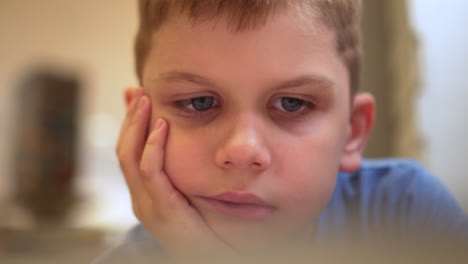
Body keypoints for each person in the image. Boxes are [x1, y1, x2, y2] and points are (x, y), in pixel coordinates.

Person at [94, 0, 468, 263]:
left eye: (291, 104)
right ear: (137, 126)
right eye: (200, 102)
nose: (242, 149)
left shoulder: (406, 213)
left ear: (351, 132)